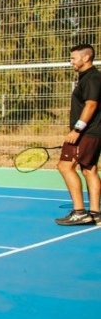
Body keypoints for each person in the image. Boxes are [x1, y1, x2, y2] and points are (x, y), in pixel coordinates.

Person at [55, 43, 101, 225]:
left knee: (65, 166)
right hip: (93, 132)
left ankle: (80, 212)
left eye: (73, 58)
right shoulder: (89, 78)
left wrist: (77, 129)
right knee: (89, 169)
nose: (71, 61)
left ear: (86, 58)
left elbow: (91, 104)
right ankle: (95, 213)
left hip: (86, 132)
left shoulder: (92, 78)